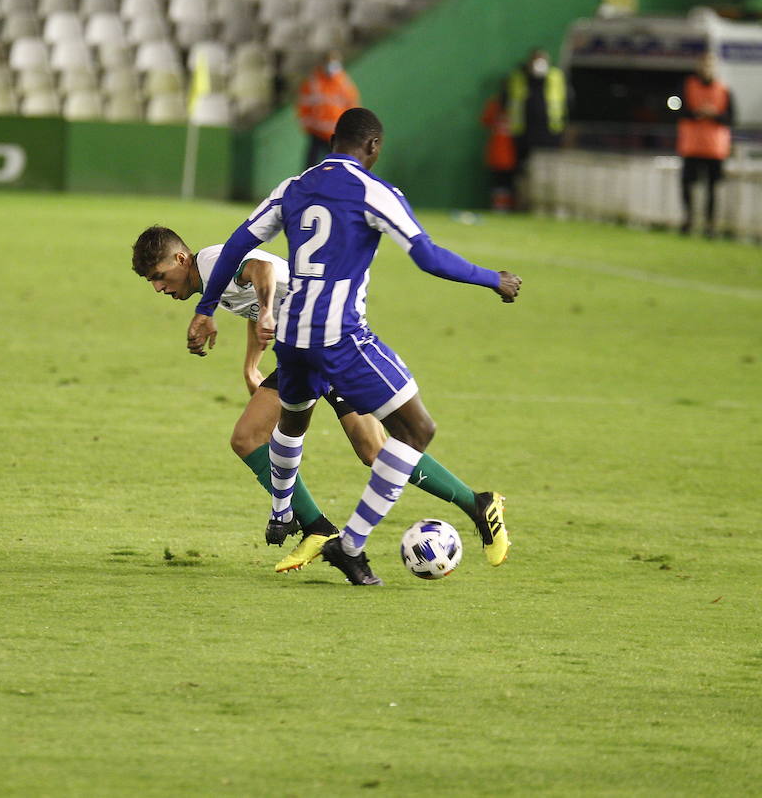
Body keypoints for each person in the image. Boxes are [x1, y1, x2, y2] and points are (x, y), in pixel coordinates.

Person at [186, 108, 522, 585]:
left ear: (332, 141)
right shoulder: (374, 191)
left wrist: (205, 308)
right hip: (341, 337)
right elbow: (427, 257)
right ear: (373, 147)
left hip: (292, 338)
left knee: (294, 426)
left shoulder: (293, 187)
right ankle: (350, 543)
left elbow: (238, 244)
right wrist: (492, 278)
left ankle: (287, 513)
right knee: (416, 430)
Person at [131, 226, 509, 573]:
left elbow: (262, 270)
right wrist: (251, 364)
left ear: (180, 259)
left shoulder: (213, 262)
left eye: (160, 276)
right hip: (306, 348)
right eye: (151, 282)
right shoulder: (210, 277)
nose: (159, 288)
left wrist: (267, 312)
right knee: (372, 449)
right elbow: (253, 302)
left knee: (253, 438)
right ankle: (477, 505)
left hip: (324, 343)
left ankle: (319, 528)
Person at [675, 53, 733, 237]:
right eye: (704, 65)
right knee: (687, 184)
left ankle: (710, 225)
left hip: (715, 148)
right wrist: (696, 113)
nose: (707, 69)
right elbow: (676, 109)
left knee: (712, 188)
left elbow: (731, 117)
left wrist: (714, 115)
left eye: (711, 65)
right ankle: (688, 220)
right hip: (691, 145)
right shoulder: (687, 86)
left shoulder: (723, 89)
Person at [297, 49, 359, 170]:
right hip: (317, 134)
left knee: (338, 168)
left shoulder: (343, 84)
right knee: (310, 168)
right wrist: (308, 126)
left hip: (337, 135)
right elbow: (304, 105)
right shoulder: (313, 83)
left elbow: (352, 106)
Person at [506, 47, 567, 172]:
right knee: (523, 169)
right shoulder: (518, 77)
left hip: (550, 133)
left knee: (547, 169)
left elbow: (565, 103)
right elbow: (509, 102)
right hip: (523, 133)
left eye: (542, 61)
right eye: (535, 61)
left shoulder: (555, 76)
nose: (539, 65)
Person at [480, 88, 519, 212]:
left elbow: (485, 121)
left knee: (502, 184)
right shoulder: (500, 107)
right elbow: (485, 121)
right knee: (503, 184)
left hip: (504, 155)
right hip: (505, 155)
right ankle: (501, 208)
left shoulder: (504, 107)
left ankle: (501, 208)